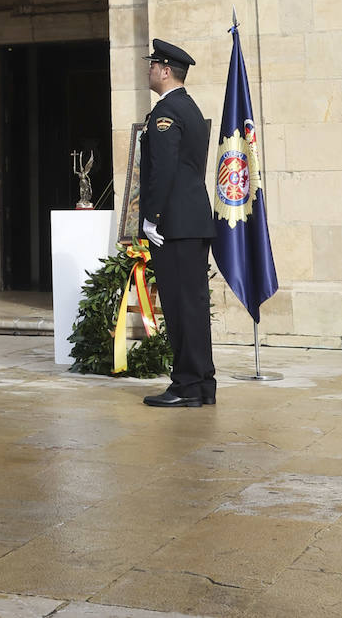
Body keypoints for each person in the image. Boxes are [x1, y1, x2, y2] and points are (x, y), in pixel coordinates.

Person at [138, 38, 217, 407]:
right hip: (192, 222)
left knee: (181, 305)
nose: (149, 69)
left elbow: (164, 171)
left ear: (166, 70)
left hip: (175, 225)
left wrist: (152, 217)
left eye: (153, 64)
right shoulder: (190, 108)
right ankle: (201, 383)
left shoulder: (167, 112)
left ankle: (186, 386)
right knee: (193, 305)